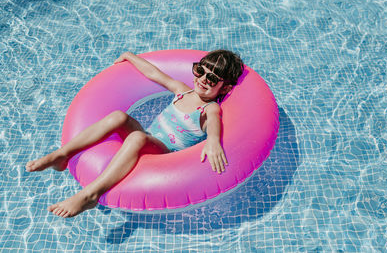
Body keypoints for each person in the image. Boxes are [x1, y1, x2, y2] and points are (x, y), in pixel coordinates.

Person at [25, 49, 244, 218]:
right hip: (149, 136)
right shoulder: (182, 90)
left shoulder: (209, 108)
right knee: (119, 116)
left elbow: (215, 122)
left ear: (224, 89)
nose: (203, 79)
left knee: (137, 137)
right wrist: (130, 56)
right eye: (200, 70)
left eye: (212, 79)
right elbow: (154, 73)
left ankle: (90, 195)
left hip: (165, 153)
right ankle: (62, 154)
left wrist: (213, 141)